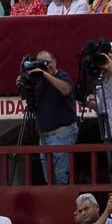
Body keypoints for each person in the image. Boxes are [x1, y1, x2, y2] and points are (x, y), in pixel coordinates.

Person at [24, 51, 79, 184]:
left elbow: (66, 89)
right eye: (41, 64)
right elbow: (28, 99)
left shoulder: (62, 75)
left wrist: (45, 74)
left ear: (54, 62)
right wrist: (24, 82)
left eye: (47, 63)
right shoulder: (38, 81)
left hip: (62, 133)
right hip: (44, 136)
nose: (45, 66)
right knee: (50, 179)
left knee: (61, 177)